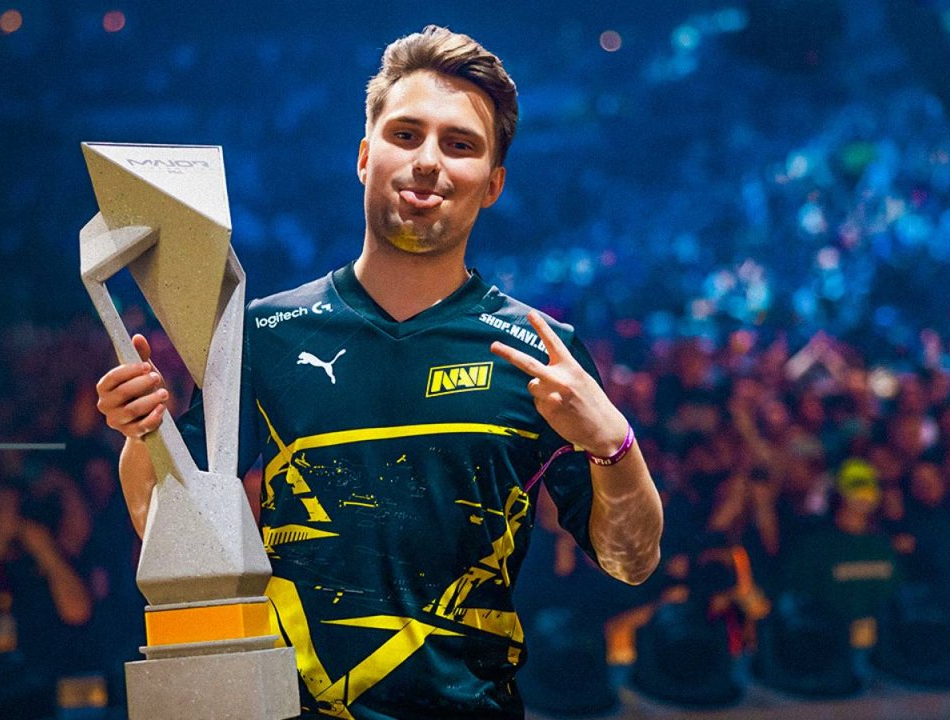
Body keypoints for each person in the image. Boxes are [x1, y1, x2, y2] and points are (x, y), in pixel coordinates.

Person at [96, 25, 662, 718]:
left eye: (459, 145)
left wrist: (613, 442)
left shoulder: (541, 352)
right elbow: (164, 523)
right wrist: (141, 430)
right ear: (365, 156)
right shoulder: (262, 335)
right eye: (406, 134)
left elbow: (631, 560)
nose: (427, 161)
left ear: (493, 184)